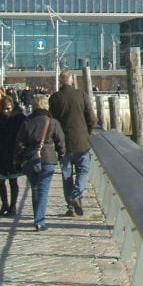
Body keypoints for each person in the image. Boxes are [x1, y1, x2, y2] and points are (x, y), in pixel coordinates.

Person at [15, 94, 65, 232]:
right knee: (43, 190)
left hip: (30, 158)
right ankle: (39, 221)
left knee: (35, 189)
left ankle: (38, 218)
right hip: (48, 158)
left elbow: (19, 143)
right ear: (46, 105)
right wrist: (61, 154)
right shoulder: (52, 121)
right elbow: (60, 140)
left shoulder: (26, 122)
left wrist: (18, 159)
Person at [49, 70, 95, 217]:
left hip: (63, 143)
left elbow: (53, 122)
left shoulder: (54, 98)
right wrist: (87, 131)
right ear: (72, 81)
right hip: (82, 142)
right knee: (83, 171)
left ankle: (70, 207)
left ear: (60, 82)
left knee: (66, 176)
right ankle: (76, 194)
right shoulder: (81, 95)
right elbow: (92, 117)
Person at [0, 96, 26, 216]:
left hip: (14, 152)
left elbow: (23, 134)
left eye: (7, 109)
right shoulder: (0, 117)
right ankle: (4, 204)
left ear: (12, 106)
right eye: (3, 109)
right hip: (2, 151)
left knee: (13, 179)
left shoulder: (19, 117)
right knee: (0, 180)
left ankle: (13, 206)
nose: (5, 111)